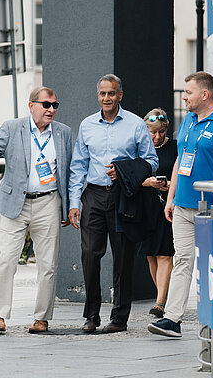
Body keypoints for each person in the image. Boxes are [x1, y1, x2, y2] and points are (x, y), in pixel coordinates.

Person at [0, 86, 72, 334]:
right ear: (31, 106)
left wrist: (70, 207)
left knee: (48, 264)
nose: (51, 109)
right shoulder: (12, 127)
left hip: (48, 202)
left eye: (55, 105)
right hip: (14, 204)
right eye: (46, 105)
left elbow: (70, 172)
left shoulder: (63, 133)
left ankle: (41, 318)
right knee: (6, 260)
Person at [148, 72, 213, 338]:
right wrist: (171, 198)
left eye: (188, 92)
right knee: (183, 261)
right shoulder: (188, 120)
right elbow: (180, 161)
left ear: (205, 94)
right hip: (183, 205)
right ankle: (172, 319)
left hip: (211, 208)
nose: (184, 97)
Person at [68, 74, 158, 334]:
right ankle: (91, 316)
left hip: (123, 196)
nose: (106, 98)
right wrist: (75, 202)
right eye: (102, 94)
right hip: (94, 195)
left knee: (123, 257)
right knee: (89, 255)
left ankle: (119, 318)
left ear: (120, 95)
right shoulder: (87, 125)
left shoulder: (135, 124)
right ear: (98, 96)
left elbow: (150, 160)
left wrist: (125, 170)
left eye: (111, 93)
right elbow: (78, 167)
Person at [140, 107, 177, 319]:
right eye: (152, 132)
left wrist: (171, 185)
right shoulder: (141, 149)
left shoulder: (174, 147)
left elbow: (183, 171)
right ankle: (162, 296)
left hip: (167, 205)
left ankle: (160, 302)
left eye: (161, 132)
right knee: (151, 255)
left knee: (165, 253)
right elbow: (134, 176)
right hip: (147, 205)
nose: (157, 136)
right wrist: (148, 182)